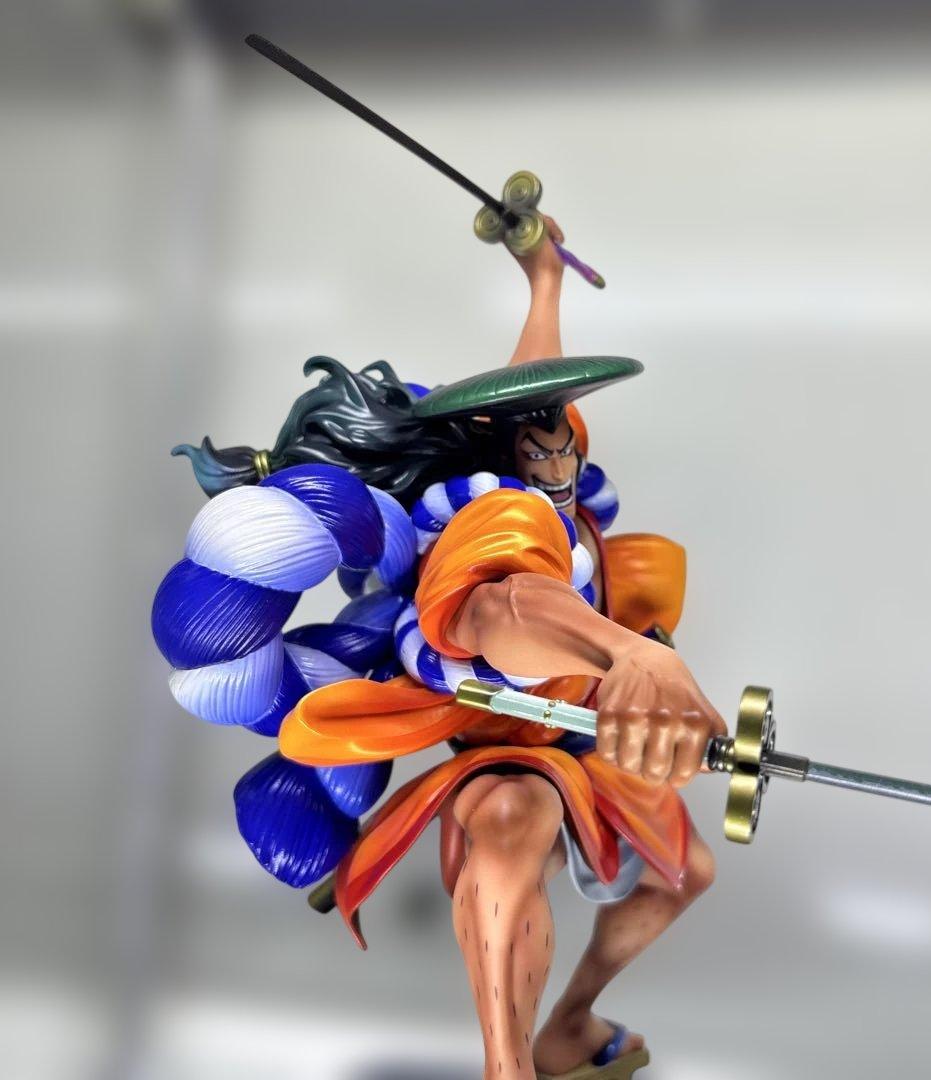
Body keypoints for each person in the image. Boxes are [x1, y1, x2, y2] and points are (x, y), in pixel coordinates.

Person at [157, 216, 726, 1080]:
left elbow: (535, 378)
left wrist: (543, 277)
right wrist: (629, 656)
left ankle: (567, 1026)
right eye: (534, 442)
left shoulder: (563, 483)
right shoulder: (490, 518)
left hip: (584, 734)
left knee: (682, 873)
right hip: (506, 742)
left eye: (562, 438)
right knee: (510, 824)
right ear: (503, 450)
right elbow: (503, 608)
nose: (554, 455)